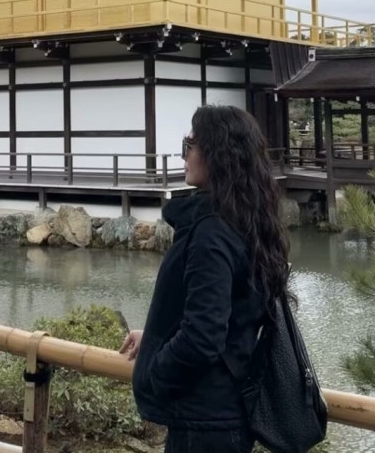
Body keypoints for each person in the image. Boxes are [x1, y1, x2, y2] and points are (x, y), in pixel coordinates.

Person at [119, 105, 291, 453]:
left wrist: (156, 369)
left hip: (204, 422)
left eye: (190, 145)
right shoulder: (244, 222)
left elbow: (203, 336)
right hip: (223, 414)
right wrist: (155, 340)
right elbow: (232, 319)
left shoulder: (211, 233)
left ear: (218, 154)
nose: (183, 155)